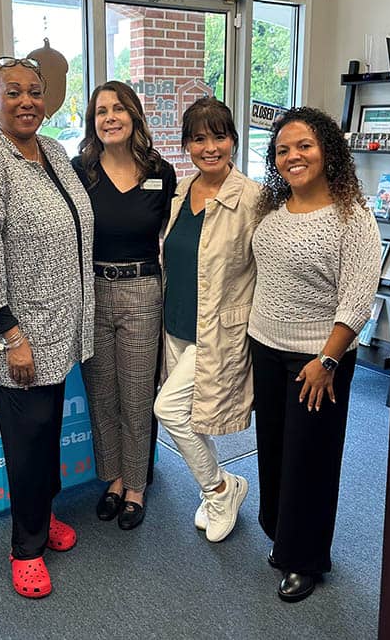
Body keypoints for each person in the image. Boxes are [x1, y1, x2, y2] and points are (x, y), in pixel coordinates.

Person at [0, 56, 94, 599]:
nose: (26, 100)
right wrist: (11, 335)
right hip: (21, 337)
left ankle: (45, 509)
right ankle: (26, 546)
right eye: (13, 92)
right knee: (26, 442)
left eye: (34, 91)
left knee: (46, 434)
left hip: (62, 329)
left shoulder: (54, 151)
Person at [248, 106, 381, 603]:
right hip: (265, 345)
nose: (293, 156)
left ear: (327, 150)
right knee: (276, 448)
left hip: (316, 359)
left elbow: (358, 296)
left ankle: (305, 559)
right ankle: (283, 535)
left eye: (304, 145)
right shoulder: (272, 207)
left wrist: (327, 360)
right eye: (282, 150)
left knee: (312, 458)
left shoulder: (352, 215)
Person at [154, 96, 259, 543]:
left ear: (233, 141)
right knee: (192, 417)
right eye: (198, 139)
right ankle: (223, 483)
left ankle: (218, 489)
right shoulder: (180, 191)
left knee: (168, 411)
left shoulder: (253, 198)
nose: (209, 147)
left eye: (218, 136)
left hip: (217, 331)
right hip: (175, 323)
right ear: (186, 146)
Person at [72, 80, 176, 530]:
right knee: (101, 394)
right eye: (100, 111)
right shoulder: (80, 171)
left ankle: (136, 485)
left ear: (134, 116)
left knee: (137, 394)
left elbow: (175, 236)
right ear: (93, 122)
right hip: (92, 289)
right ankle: (112, 479)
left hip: (141, 289)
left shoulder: (159, 170)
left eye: (118, 109)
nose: (109, 117)